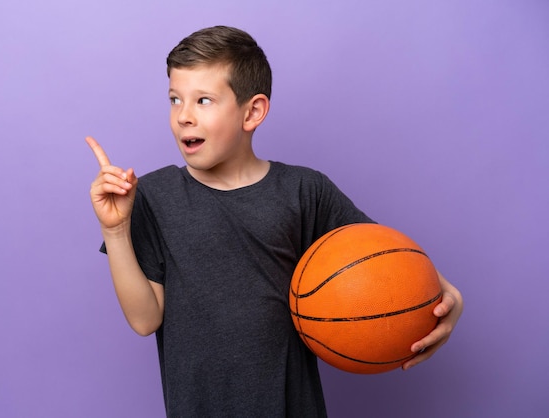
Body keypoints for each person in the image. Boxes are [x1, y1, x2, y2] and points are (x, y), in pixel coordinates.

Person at [86, 25, 463, 417]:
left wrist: (452, 299)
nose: (183, 116)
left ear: (252, 112)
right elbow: (145, 321)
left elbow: (389, 265)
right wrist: (115, 231)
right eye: (174, 99)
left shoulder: (304, 190)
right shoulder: (153, 195)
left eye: (203, 101)